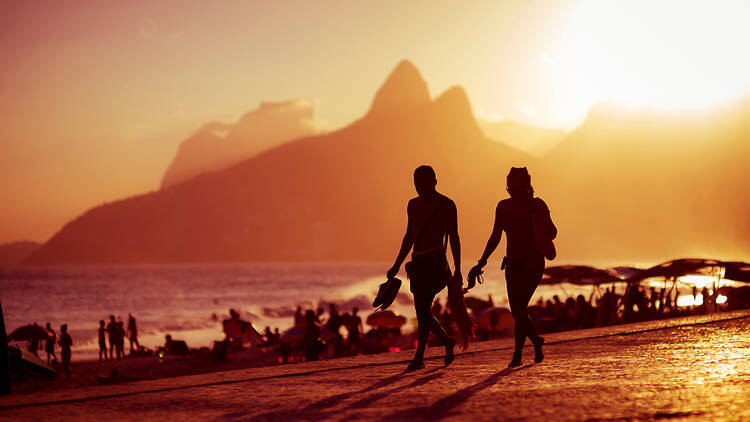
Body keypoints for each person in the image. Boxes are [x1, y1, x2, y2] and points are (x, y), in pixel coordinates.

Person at [469, 167, 555, 367]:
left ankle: (517, 355)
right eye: (511, 184)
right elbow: (495, 236)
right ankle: (535, 341)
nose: (512, 189)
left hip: (533, 262)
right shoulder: (503, 207)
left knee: (519, 309)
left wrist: (539, 218)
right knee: (518, 311)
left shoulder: (537, 204)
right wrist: (482, 260)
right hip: (512, 263)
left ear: (525, 185)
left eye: (516, 184)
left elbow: (552, 232)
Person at [387, 165, 460, 371]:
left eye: (424, 182)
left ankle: (419, 357)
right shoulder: (412, 204)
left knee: (423, 308)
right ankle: (446, 341)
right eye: (416, 183)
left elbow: (454, 237)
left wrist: (458, 269)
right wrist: (396, 265)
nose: (419, 187)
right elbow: (409, 236)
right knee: (422, 311)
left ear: (434, 181)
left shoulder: (446, 205)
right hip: (417, 263)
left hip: (436, 262)